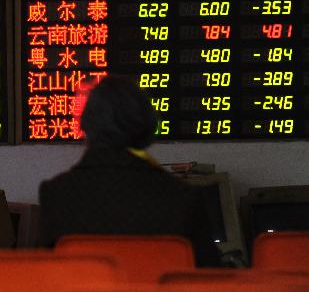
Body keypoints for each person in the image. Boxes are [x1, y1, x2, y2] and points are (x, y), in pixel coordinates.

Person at [38, 75, 220, 266]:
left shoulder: (56, 195)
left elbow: (48, 274)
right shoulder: (183, 197)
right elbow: (211, 277)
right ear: (147, 125)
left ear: (86, 124)